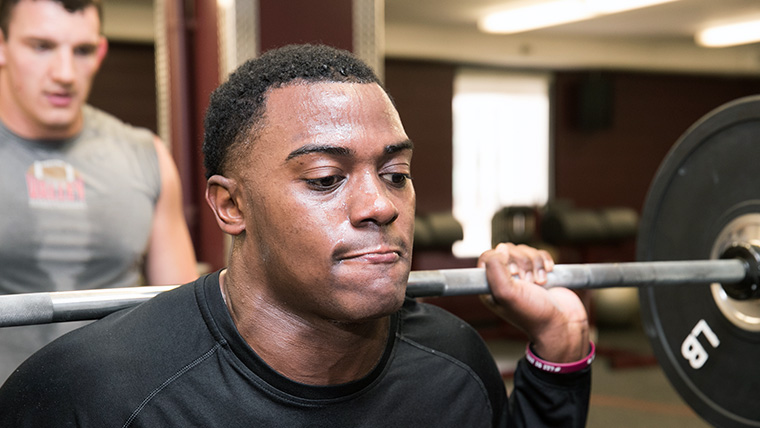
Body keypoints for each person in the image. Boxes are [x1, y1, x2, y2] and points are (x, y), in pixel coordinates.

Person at [0, 44, 591, 427]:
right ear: (231, 206)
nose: (380, 206)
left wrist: (559, 344)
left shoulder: (454, 363)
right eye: (326, 178)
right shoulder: (98, 395)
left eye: (397, 175)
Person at [0, 0, 198, 382]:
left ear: (101, 51)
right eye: (41, 46)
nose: (65, 73)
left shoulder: (146, 155)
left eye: (83, 50)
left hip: (116, 407)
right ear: (3, 47)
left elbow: (183, 321)